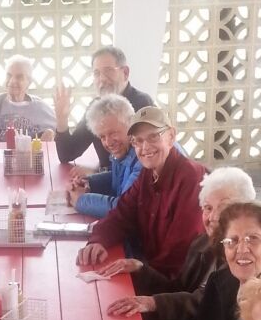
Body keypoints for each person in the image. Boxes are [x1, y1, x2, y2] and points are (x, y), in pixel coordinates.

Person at [105, 167, 255, 320]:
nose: (213, 217)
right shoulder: (202, 243)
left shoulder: (245, 260)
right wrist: (141, 269)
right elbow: (178, 287)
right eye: (207, 208)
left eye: (224, 207)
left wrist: (153, 303)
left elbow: (205, 304)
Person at [76, 106, 207, 277]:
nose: (145, 147)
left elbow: (179, 252)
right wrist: (98, 240)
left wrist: (142, 270)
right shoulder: (148, 172)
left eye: (153, 137)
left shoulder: (192, 177)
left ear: (171, 136)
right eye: (137, 140)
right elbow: (122, 213)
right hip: (148, 267)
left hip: (176, 284)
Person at [54, 46, 153, 166]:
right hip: (106, 181)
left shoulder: (143, 104)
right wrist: (62, 119)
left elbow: (145, 163)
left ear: (125, 73)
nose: (102, 79)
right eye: (97, 73)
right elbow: (67, 154)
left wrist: (96, 173)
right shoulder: (97, 108)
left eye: (108, 71)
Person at [66, 93, 141, 218]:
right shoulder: (126, 149)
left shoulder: (145, 154)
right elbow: (118, 179)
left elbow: (123, 209)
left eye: (113, 133)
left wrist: (81, 200)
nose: (108, 142)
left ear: (131, 124)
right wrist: (88, 183)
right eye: (102, 136)